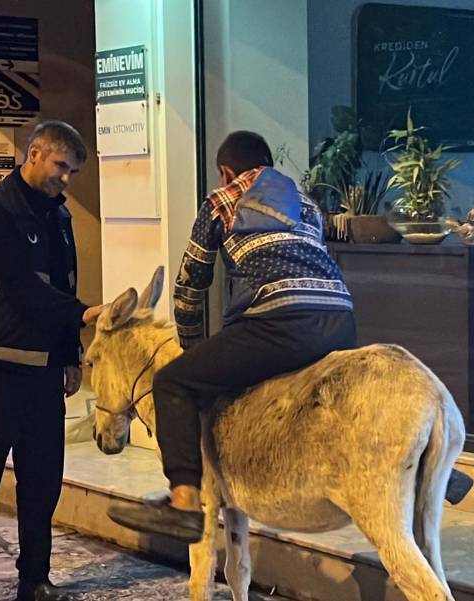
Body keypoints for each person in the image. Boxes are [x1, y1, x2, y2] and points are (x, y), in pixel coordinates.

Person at [107, 131, 358, 543]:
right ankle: (432, 466)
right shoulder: (307, 203)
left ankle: (185, 503)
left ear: (226, 172)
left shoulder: (221, 202)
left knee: (172, 382)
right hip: (340, 318)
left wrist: (190, 353)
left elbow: (190, 289)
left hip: (278, 321)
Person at [0, 120, 101, 601]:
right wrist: (86, 314)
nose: (66, 178)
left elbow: (60, 285)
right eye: (61, 166)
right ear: (33, 154)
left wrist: (70, 353)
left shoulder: (59, 217)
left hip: (41, 377)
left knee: (41, 486)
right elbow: (24, 289)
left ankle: (34, 580)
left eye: (72, 171)